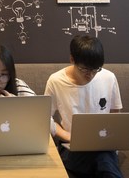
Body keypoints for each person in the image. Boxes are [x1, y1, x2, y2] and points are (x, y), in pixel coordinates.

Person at [44, 35, 123, 178]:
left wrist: (112, 137)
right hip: (71, 147)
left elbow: (115, 114)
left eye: (96, 69)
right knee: (105, 164)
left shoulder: (109, 77)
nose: (91, 75)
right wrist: (68, 136)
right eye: (85, 69)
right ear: (72, 59)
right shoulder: (56, 81)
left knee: (103, 158)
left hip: (103, 145)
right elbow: (44, 118)